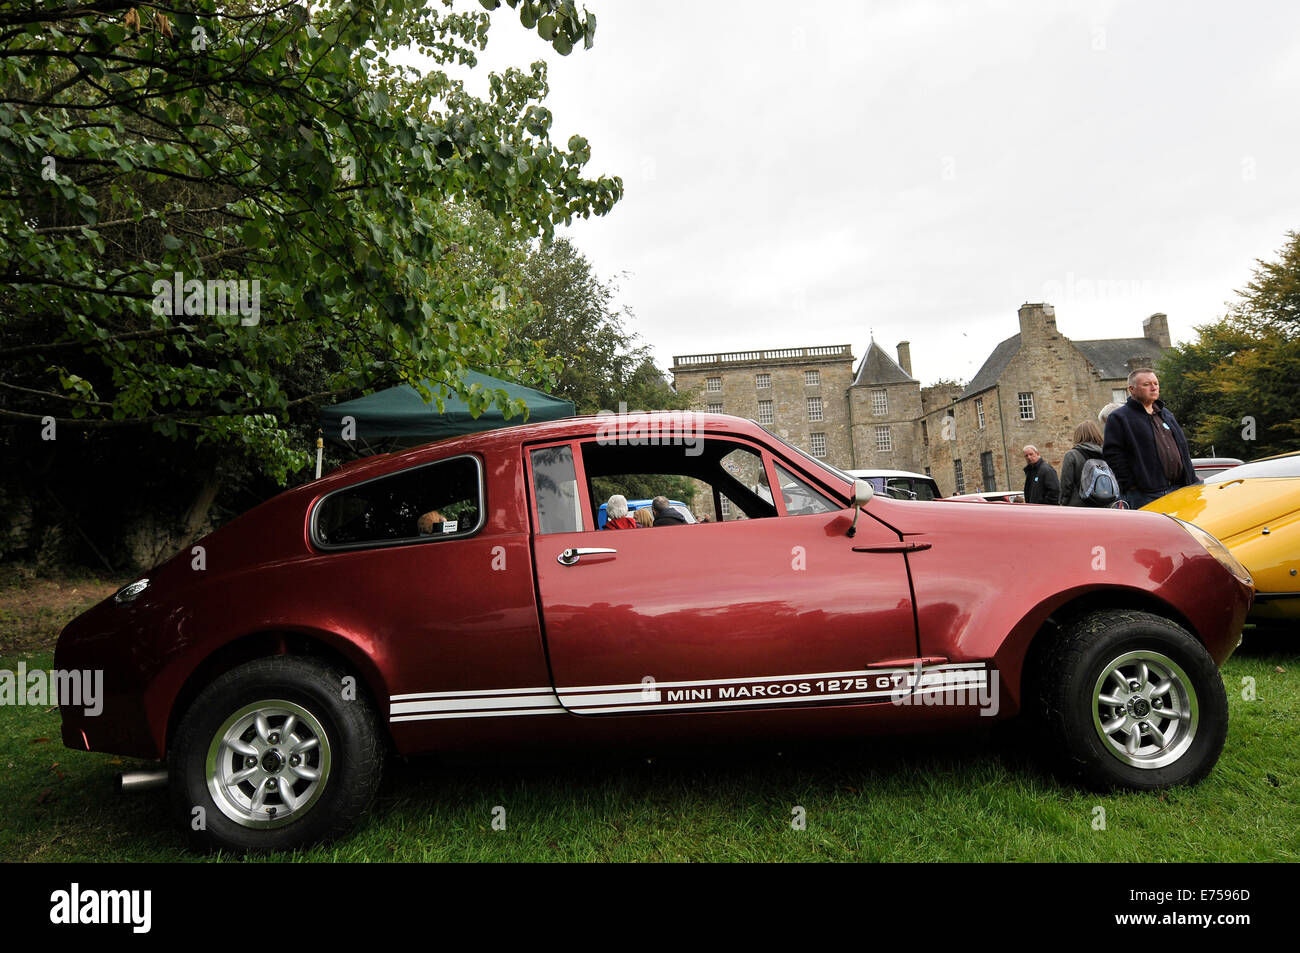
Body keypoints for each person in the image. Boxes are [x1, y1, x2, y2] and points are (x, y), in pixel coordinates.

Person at [1103, 368, 1199, 509]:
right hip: (1146, 495)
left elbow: (1182, 449)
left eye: (1156, 383)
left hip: (1179, 489)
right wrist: (1131, 485)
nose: (1154, 387)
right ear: (1132, 389)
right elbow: (1113, 455)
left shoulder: (1165, 414)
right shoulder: (1120, 417)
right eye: (1147, 384)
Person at [1059, 421, 1107, 506]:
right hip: (1105, 504)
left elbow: (1066, 485)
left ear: (1077, 436)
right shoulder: (1107, 454)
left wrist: (1063, 502)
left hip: (1079, 506)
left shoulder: (1072, 455)